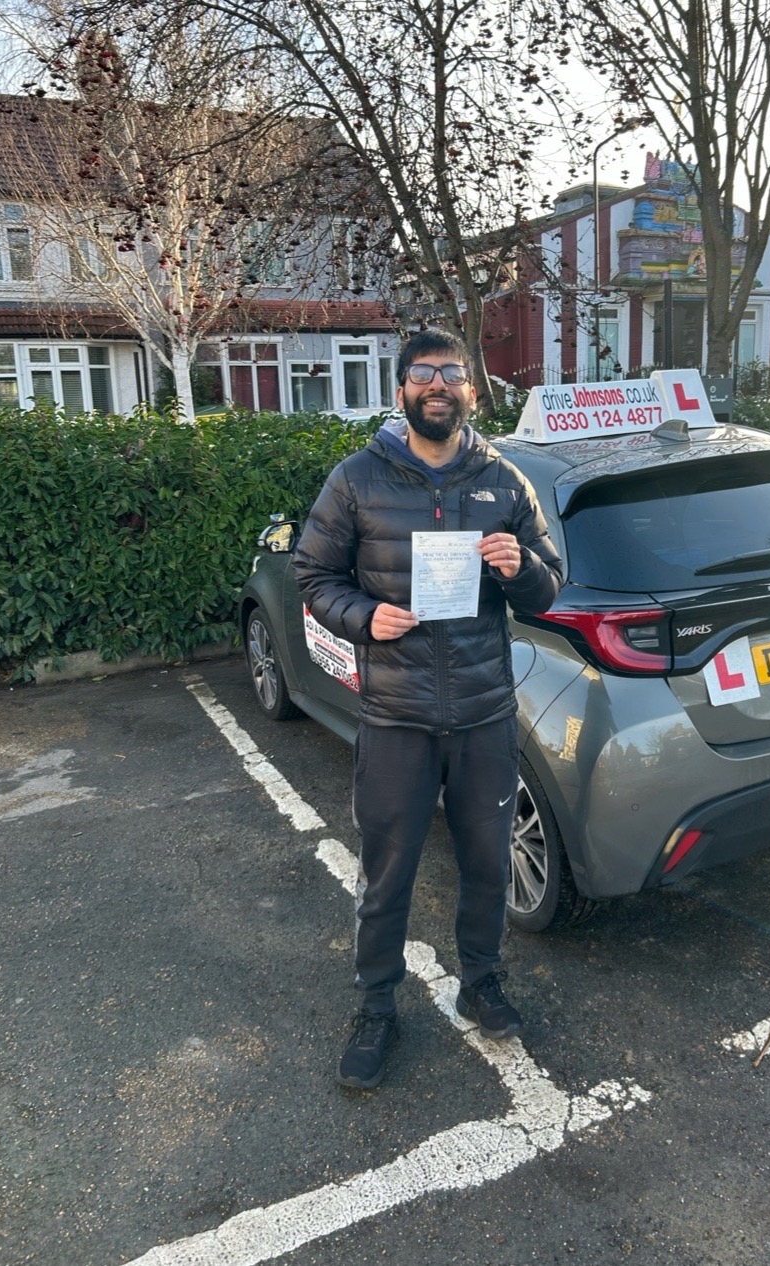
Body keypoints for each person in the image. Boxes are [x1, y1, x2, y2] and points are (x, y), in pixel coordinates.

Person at [293, 328, 563, 1090]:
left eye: (452, 372)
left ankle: (481, 983)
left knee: (486, 865)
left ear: (472, 390)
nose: (437, 384)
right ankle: (376, 1006)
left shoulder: (504, 482)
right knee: (387, 874)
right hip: (397, 717)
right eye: (423, 373)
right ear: (402, 390)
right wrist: (361, 617)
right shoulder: (355, 480)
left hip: (482, 714)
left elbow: (548, 590)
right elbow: (314, 575)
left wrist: (521, 568)